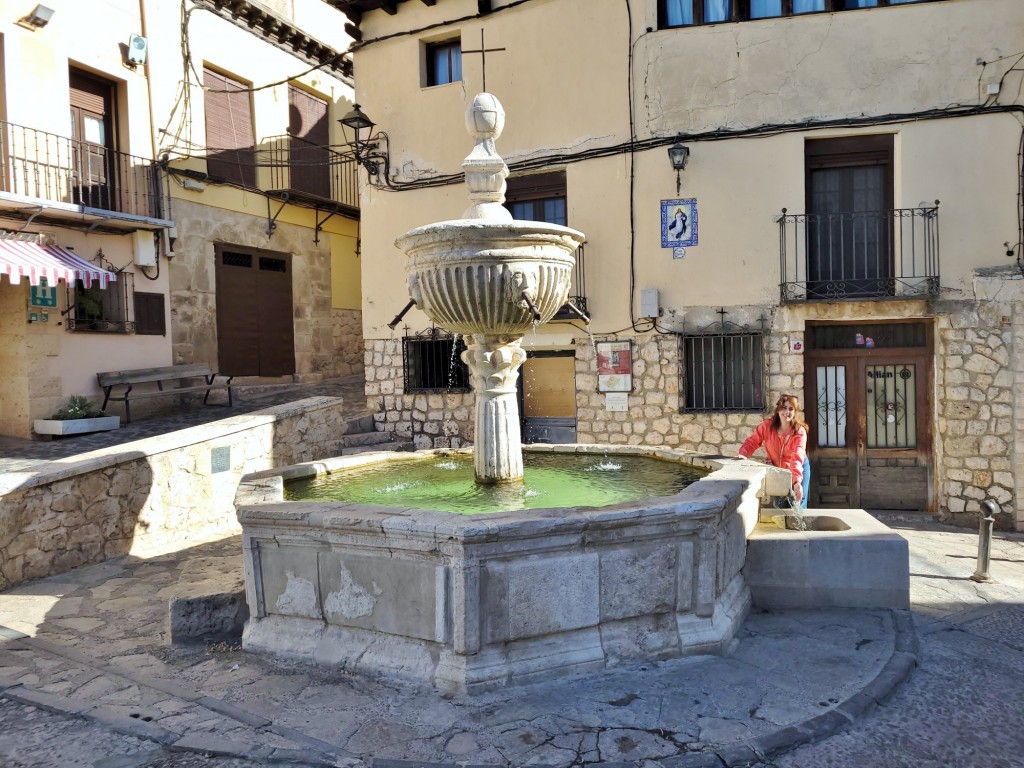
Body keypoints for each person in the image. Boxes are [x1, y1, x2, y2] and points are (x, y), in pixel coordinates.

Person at [738, 393, 810, 509]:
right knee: (780, 507)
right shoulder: (767, 426)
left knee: (797, 506)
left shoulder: (799, 432)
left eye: (791, 409)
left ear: (794, 412)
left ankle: (799, 526)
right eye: (784, 408)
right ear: (778, 410)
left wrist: (796, 482)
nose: (787, 412)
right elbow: (753, 441)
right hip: (777, 469)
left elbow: (797, 456)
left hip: (799, 468)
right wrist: (743, 454)